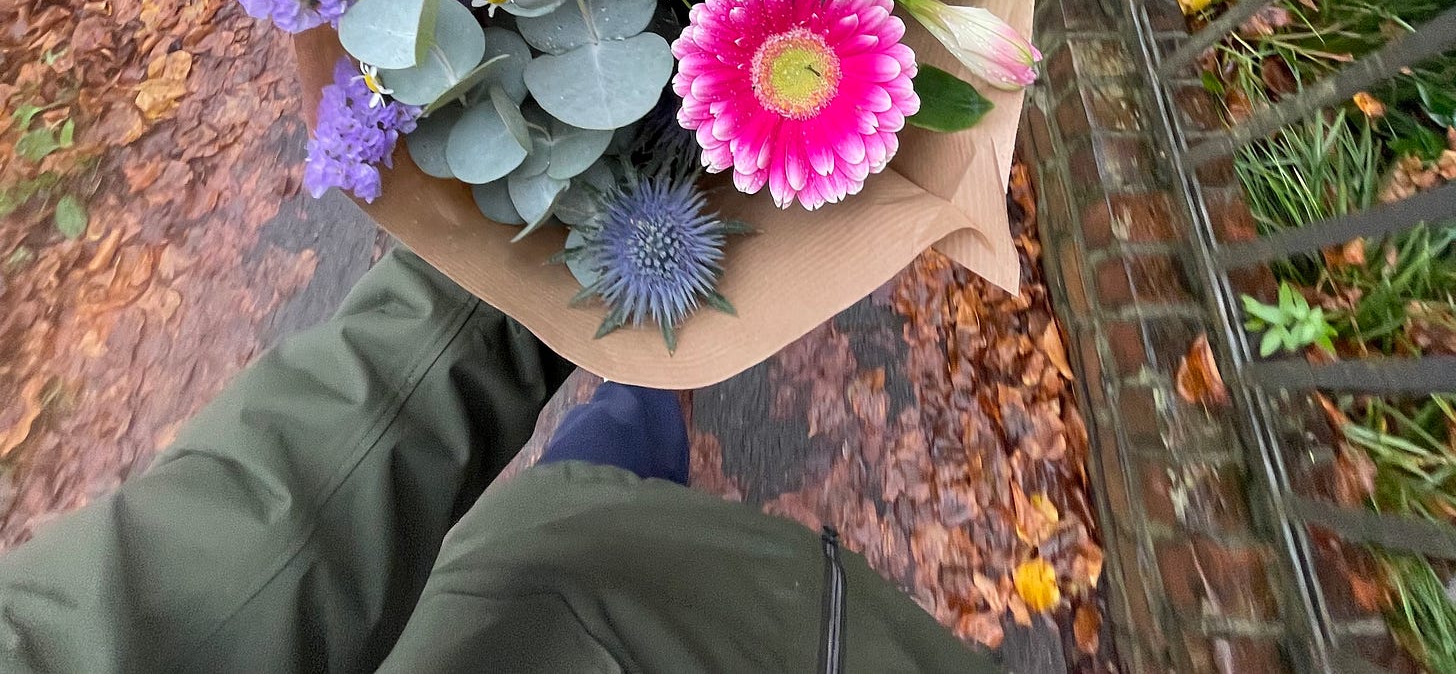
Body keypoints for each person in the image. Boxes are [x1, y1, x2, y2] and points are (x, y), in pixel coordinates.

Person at [0, 249, 1001, 673]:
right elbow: (256, 540)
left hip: (542, 571)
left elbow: (243, 555)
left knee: (593, 471)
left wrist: (544, 250)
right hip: (661, 615)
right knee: (591, 498)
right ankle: (644, 382)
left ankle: (644, 376)